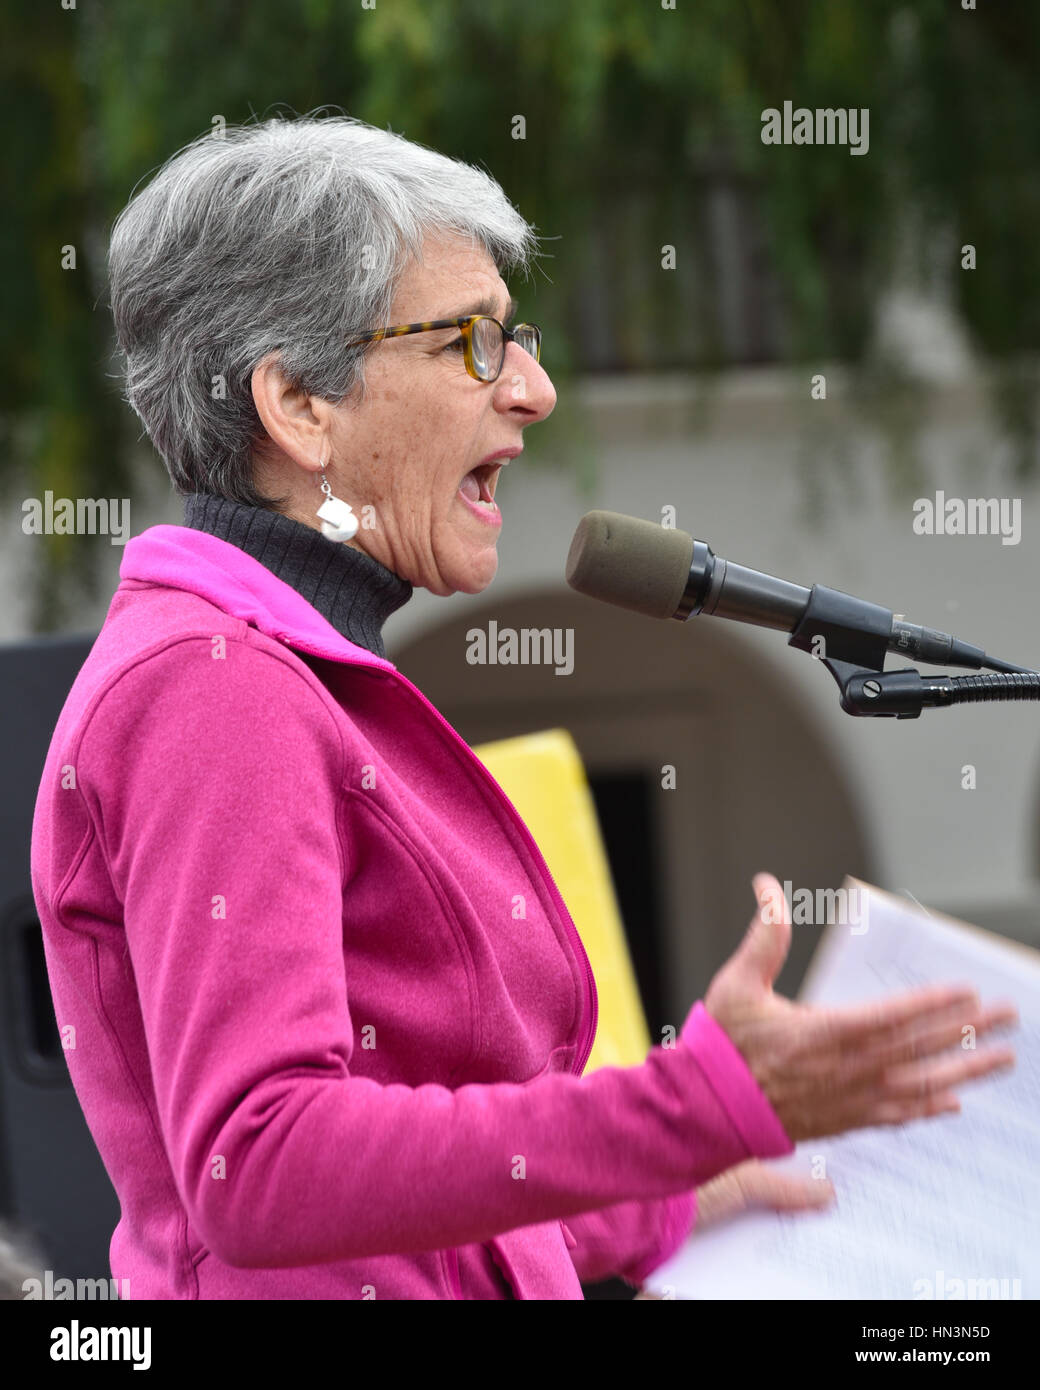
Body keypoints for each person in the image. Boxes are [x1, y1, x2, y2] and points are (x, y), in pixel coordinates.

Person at [30, 114, 1016, 1300]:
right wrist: (686, 1104)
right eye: (473, 344)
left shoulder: (273, 666)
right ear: (298, 406)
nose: (536, 392)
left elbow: (400, 1205)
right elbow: (262, 1162)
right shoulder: (213, 687)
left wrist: (671, 1189)